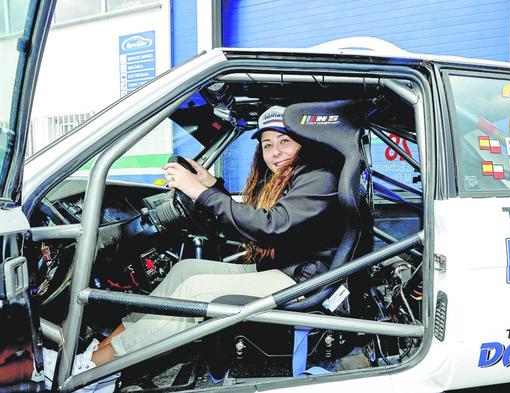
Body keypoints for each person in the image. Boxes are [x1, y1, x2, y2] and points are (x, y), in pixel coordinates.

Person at [43, 105, 343, 392]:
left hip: (304, 281)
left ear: (303, 143)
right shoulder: (296, 179)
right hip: (288, 267)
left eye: (284, 141)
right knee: (186, 270)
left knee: (196, 290)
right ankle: (103, 351)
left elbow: (271, 225)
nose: (275, 152)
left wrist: (199, 192)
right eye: (266, 145)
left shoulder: (319, 176)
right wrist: (212, 187)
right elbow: (254, 219)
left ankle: (92, 370)